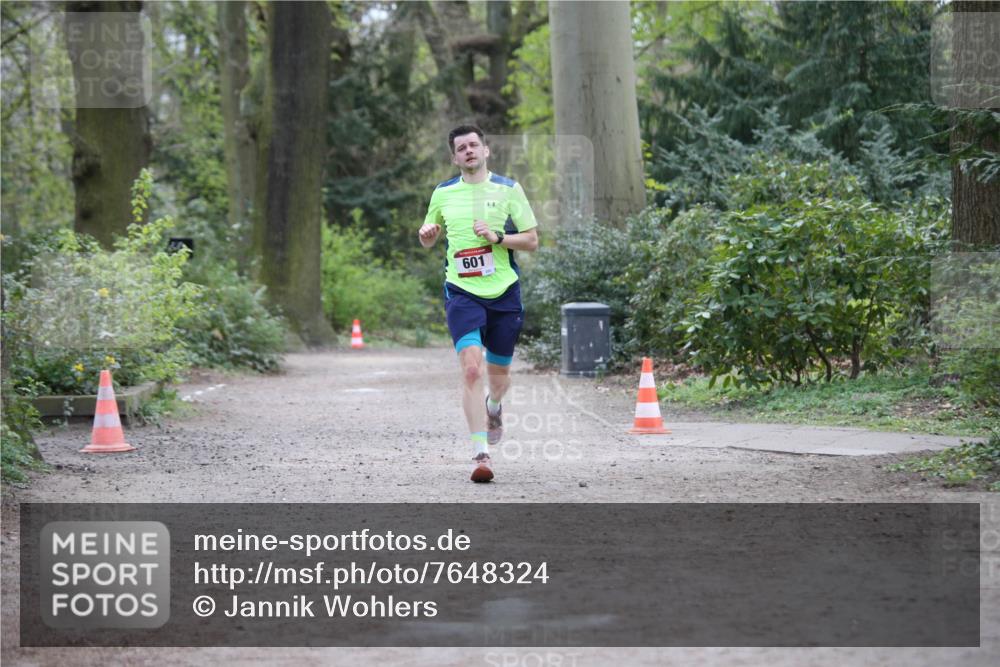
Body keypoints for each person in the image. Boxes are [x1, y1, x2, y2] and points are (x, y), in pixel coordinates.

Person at [418, 124, 539, 483]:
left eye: (474, 145)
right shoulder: (442, 193)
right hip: (462, 291)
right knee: (472, 369)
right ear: (454, 157)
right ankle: (480, 452)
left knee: (499, 377)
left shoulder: (509, 189)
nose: (468, 150)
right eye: (461, 147)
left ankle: (494, 406)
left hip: (504, 293)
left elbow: (532, 240)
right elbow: (429, 237)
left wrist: (498, 237)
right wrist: (427, 235)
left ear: (486, 151)